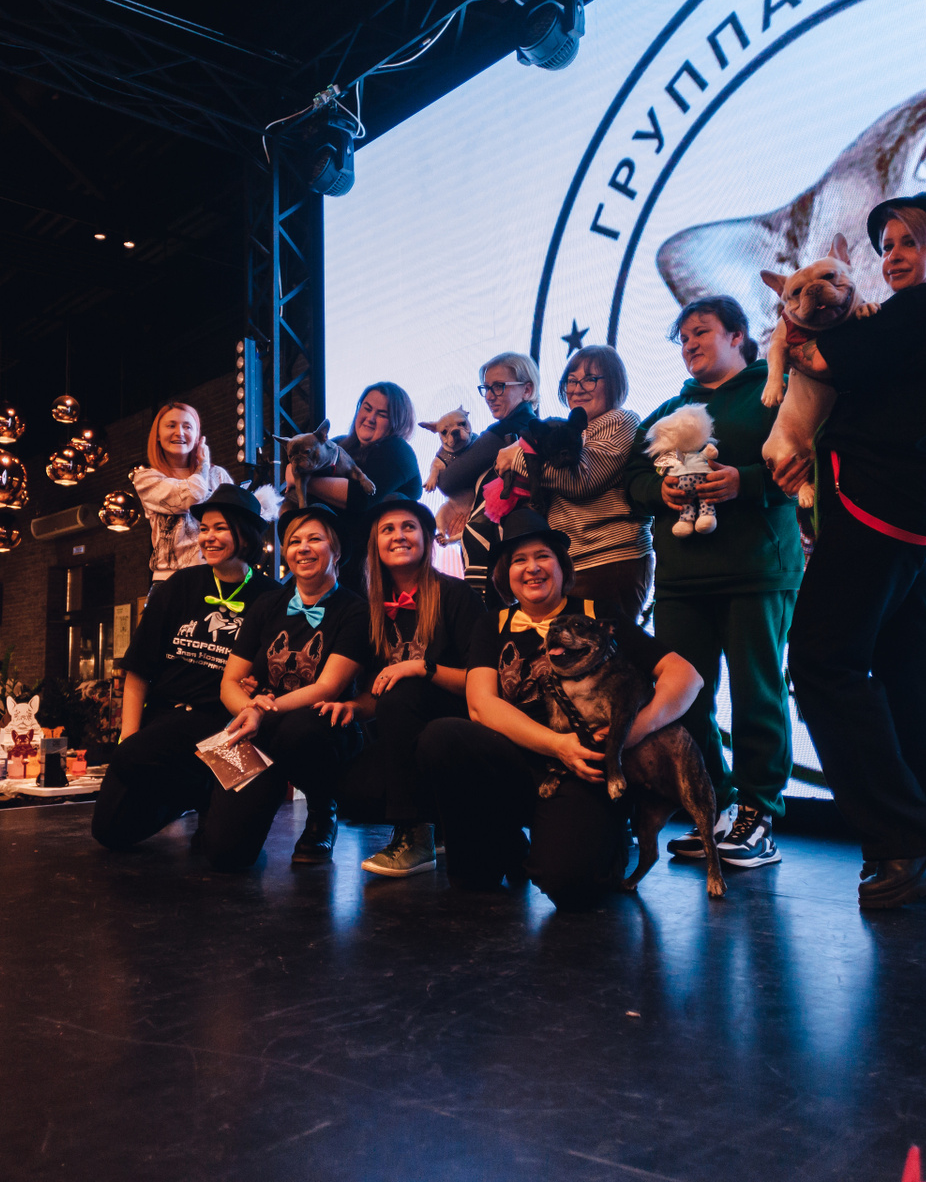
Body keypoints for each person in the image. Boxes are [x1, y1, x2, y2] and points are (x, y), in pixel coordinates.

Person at [773, 192, 926, 909]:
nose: (894, 255)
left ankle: (908, 838)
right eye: (887, 245)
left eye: (909, 242)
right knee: (917, 672)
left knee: (822, 659)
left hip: (878, 507)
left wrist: (789, 328)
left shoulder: (925, 307)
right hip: (911, 512)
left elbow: (817, 353)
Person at [417, 510, 702, 910]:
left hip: (584, 768)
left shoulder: (598, 614)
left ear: (562, 566)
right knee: (443, 737)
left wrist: (634, 731)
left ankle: (609, 843)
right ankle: (501, 846)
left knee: (571, 885)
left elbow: (686, 676)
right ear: (505, 574)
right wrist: (557, 745)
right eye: (519, 560)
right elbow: (481, 705)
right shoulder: (492, 624)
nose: (532, 568)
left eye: (542, 556)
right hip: (522, 756)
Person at [624, 297, 803, 868]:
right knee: (684, 701)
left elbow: (806, 462)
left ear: (737, 336)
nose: (690, 345)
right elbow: (632, 481)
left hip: (757, 569)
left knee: (757, 695)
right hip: (682, 580)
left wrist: (744, 482)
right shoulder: (670, 409)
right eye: (682, 338)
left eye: (701, 332)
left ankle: (759, 813)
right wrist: (659, 492)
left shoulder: (775, 394)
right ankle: (721, 807)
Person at [92, 485, 282, 855]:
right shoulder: (180, 584)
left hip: (225, 728)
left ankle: (215, 795)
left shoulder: (271, 597)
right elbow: (139, 667)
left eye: (220, 528)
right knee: (110, 830)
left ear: (245, 534)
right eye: (204, 528)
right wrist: (128, 737)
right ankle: (196, 792)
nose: (208, 537)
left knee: (230, 853)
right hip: (167, 718)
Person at [334, 493, 486, 877]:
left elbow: (483, 685)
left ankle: (414, 835)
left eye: (408, 527)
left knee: (404, 693)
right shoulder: (371, 609)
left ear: (426, 537)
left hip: (458, 727)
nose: (398, 535)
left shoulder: (458, 596)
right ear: (375, 544)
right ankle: (439, 825)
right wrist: (354, 707)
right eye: (387, 529)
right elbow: (378, 692)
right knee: (354, 790)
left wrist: (422, 668)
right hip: (402, 729)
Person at [212, 504, 369, 869]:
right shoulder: (267, 604)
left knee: (300, 731)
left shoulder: (355, 610)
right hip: (261, 725)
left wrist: (260, 709)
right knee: (224, 853)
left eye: (315, 539)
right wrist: (247, 709)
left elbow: (327, 687)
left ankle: (323, 808)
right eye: (295, 541)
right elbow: (229, 682)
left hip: (321, 728)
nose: (303, 547)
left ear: (336, 551)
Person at [502, 345, 653, 622]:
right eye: (571, 381)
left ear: (614, 383)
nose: (578, 388)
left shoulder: (619, 420)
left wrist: (519, 458)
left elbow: (582, 480)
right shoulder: (568, 430)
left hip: (609, 558)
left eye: (590, 379)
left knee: (609, 645)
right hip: (572, 560)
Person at [437, 351, 541, 600]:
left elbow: (448, 481)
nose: (490, 396)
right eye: (486, 388)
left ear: (527, 390)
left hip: (494, 551)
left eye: (499, 386)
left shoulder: (507, 430)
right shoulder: (535, 429)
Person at [296, 383, 422, 559]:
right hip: (330, 559)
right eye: (367, 409)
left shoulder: (398, 450)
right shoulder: (339, 444)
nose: (370, 418)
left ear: (397, 422)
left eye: (382, 414)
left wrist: (304, 482)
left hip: (374, 562)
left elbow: (360, 497)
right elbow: (294, 465)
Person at [130, 401, 234, 585]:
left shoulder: (217, 475)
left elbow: (236, 522)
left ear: (197, 436)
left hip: (216, 576)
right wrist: (202, 466)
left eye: (187, 427)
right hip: (170, 580)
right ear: (157, 435)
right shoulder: (146, 479)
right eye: (171, 426)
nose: (179, 432)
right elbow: (193, 496)